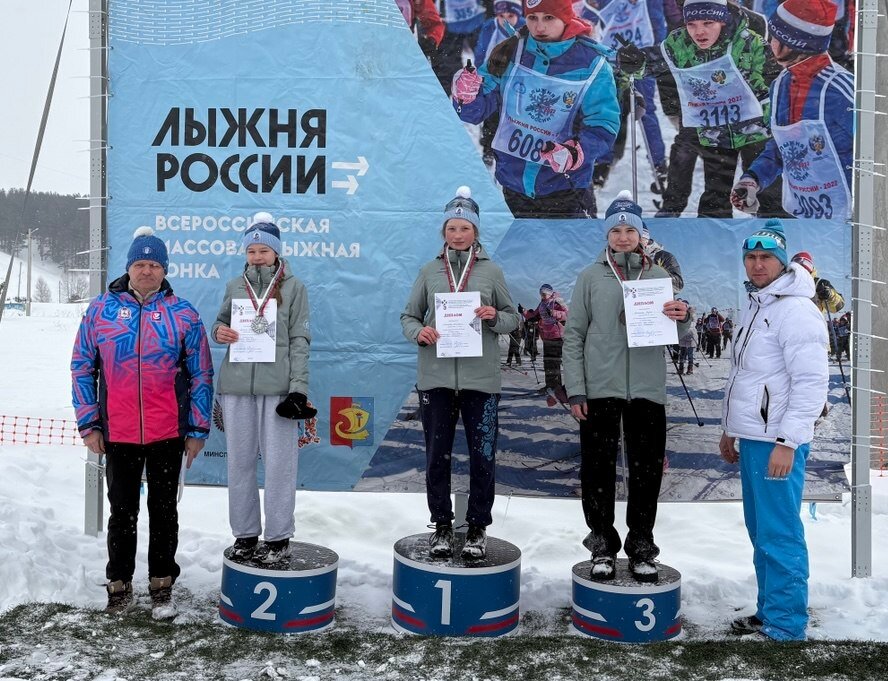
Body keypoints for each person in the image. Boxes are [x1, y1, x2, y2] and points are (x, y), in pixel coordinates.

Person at [71, 227, 214, 618]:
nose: (147, 271)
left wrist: (197, 430)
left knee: (164, 512)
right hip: (117, 432)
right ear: (129, 267)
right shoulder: (101, 310)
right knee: (122, 513)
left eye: (154, 264)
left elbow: (202, 374)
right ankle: (119, 586)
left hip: (168, 432)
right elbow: (82, 367)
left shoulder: (183, 314)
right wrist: (89, 423)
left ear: (164, 269)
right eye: (140, 264)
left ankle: (161, 586)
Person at [562, 190, 692, 582]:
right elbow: (574, 335)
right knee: (597, 469)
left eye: (629, 231)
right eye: (616, 231)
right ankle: (602, 545)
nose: (622, 237)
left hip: (647, 388)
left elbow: (675, 333)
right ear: (607, 234)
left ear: (641, 235)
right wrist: (576, 388)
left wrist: (683, 317)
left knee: (646, 471)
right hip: (600, 387)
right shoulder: (590, 277)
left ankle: (641, 547)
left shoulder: (658, 277)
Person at [719, 218, 828, 641]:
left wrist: (788, 441)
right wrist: (730, 429)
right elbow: (743, 376)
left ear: (783, 262)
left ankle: (786, 624)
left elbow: (811, 383)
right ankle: (770, 611)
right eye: (751, 257)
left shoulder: (797, 309)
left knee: (779, 532)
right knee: (761, 530)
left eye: (766, 257)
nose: (757, 264)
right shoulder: (758, 304)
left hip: (777, 442)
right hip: (754, 438)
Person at [401, 186, 520, 560]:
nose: (457, 235)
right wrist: (419, 332)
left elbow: (513, 318)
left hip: (480, 382)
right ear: (444, 232)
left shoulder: (491, 271)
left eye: (464, 228)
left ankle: (478, 527)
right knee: (437, 456)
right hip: (436, 379)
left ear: (475, 232)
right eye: (451, 228)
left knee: (482, 456)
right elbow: (408, 316)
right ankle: (441, 525)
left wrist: (495, 317)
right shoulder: (429, 271)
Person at [212, 212, 316, 566]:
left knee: (279, 466)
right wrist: (219, 332)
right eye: (251, 251)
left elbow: (300, 340)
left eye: (263, 251)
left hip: (277, 390)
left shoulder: (294, 288)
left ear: (276, 252)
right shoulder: (235, 286)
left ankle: (278, 537)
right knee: (239, 464)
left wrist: (298, 389)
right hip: (236, 387)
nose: (257, 257)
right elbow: (220, 323)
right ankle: (245, 534)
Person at [452, 0, 620, 218]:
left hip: (566, 188)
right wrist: (466, 96)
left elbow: (603, 124)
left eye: (549, 17)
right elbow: (474, 112)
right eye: (532, 17)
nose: (539, 27)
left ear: (565, 17)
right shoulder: (510, 52)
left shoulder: (592, 64)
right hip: (514, 185)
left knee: (573, 242)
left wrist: (576, 153)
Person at [617, 0, 781, 218]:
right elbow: (656, 61)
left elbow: (776, 80)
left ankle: (775, 232)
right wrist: (636, 61)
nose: (699, 32)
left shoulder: (748, 42)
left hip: (754, 129)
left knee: (767, 195)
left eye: (708, 23)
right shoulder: (680, 42)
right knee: (714, 199)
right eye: (691, 24)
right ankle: (708, 233)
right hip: (713, 132)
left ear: (722, 21)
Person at [731, 0, 853, 221]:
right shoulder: (781, 85)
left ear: (795, 43)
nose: (769, 43)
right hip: (801, 217)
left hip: (847, 222)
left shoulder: (840, 90)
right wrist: (753, 179)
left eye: (774, 37)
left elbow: (877, 152)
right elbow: (785, 147)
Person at [575, 0, 669, 193]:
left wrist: (657, 52)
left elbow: (658, 19)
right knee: (611, 109)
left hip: (641, 56)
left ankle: (659, 163)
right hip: (611, 57)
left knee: (646, 110)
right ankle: (604, 160)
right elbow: (589, 15)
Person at [474, 1, 526, 166]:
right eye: (501, 16)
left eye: (510, 16)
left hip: (518, 83)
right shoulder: (490, 27)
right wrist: (480, 75)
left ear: (518, 14)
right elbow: (481, 52)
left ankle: (512, 150)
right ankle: (488, 148)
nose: (506, 20)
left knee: (516, 119)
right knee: (492, 115)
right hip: (494, 79)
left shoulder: (526, 27)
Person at [524, 283, 568, 402]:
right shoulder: (542, 304)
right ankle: (550, 386)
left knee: (554, 363)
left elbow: (567, 314)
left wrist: (554, 313)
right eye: (541, 294)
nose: (542, 296)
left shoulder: (557, 302)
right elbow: (535, 316)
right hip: (546, 336)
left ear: (549, 293)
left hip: (557, 336)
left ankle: (557, 388)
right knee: (548, 363)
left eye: (544, 294)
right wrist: (524, 312)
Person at [640, 224, 683, 293]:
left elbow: (677, 286)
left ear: (647, 239)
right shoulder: (624, 257)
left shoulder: (663, 257)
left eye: (640, 238)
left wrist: (652, 269)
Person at [677, 304, 696, 375]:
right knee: (682, 354)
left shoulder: (693, 317)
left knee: (690, 354)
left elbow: (692, 325)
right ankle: (681, 368)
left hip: (691, 337)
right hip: (683, 337)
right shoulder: (682, 317)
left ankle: (690, 368)